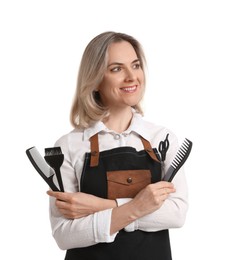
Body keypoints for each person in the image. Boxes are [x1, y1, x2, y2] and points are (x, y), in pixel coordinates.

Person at [47, 31, 188, 260]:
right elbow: (65, 235)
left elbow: (176, 214)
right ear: (95, 80)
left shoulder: (162, 138)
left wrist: (101, 206)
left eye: (136, 65)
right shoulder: (68, 146)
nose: (132, 77)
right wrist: (137, 207)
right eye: (116, 69)